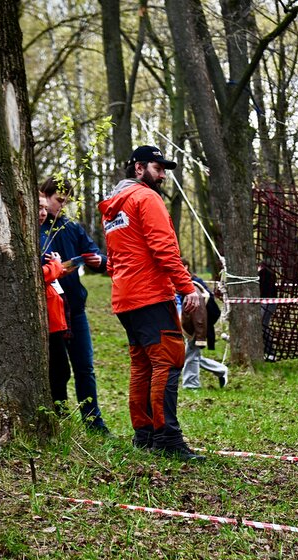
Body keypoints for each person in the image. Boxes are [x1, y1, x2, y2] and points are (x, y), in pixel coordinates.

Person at [98, 145, 205, 461]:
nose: (162, 175)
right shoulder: (146, 198)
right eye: (158, 168)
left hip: (125, 299)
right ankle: (167, 439)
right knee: (167, 361)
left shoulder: (113, 208)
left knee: (142, 365)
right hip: (150, 294)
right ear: (138, 168)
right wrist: (188, 289)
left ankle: (144, 436)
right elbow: (164, 250)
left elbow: (112, 262)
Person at [39, 177, 111, 434]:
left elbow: (98, 257)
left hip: (75, 308)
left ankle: (93, 421)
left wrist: (97, 260)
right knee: (57, 370)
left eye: (67, 201)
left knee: (85, 367)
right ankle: (57, 418)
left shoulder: (71, 227)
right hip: (48, 311)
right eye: (59, 200)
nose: (62, 205)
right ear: (45, 196)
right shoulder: (34, 227)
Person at [39, 194, 73, 411]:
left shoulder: (42, 236)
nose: (43, 213)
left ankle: (59, 415)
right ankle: (58, 415)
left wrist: (58, 269)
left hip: (54, 315)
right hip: (46, 320)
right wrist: (57, 267)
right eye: (38, 208)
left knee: (61, 370)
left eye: (44, 208)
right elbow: (36, 276)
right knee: (59, 370)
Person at [180, 259, 228, 390]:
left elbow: (199, 313)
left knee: (191, 355)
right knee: (191, 355)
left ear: (186, 266)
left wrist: (200, 337)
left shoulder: (193, 286)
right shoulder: (183, 283)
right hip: (189, 326)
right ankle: (221, 370)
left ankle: (191, 385)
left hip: (197, 327)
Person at [258, 261, 278, 361]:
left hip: (267, 303)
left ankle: (271, 352)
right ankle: (268, 352)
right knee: (262, 326)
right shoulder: (269, 274)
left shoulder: (264, 274)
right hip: (268, 303)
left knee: (263, 326)